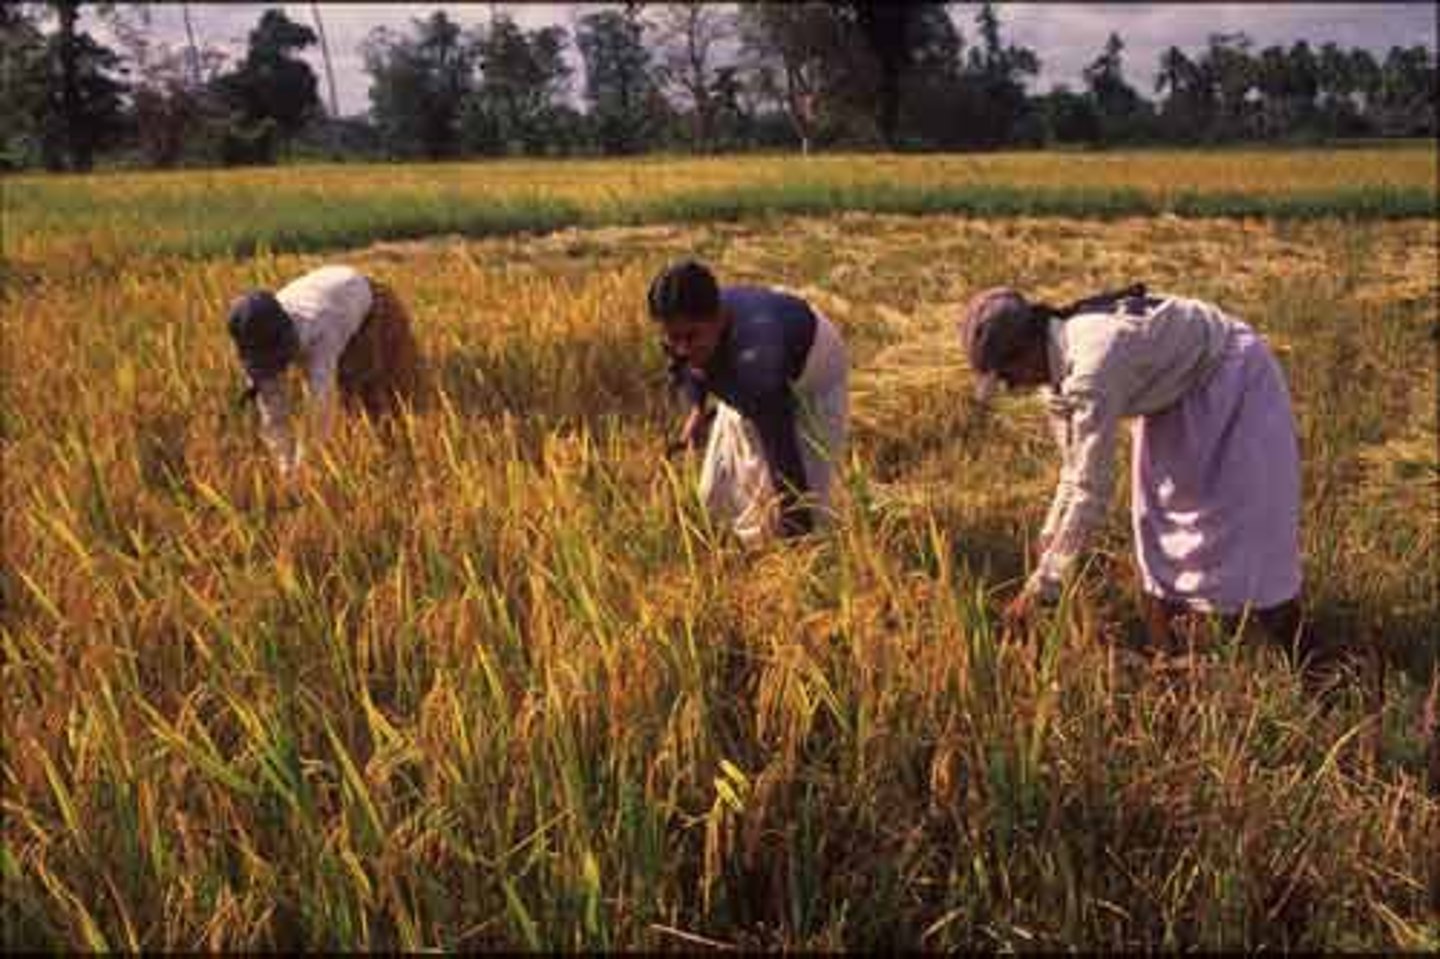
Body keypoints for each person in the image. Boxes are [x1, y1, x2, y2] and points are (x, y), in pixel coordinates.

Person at [957, 283, 1314, 666]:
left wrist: (1045, 585)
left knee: (1248, 528)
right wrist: (1050, 542)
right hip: (1171, 390)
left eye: (1008, 376)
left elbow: (1092, 489)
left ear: (1026, 349)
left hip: (1231, 375)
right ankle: (1166, 662)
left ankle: (1304, 660)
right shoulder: (1056, 374)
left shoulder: (1093, 366)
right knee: (1156, 526)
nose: (1012, 388)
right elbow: (1073, 471)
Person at [648, 259, 848, 545]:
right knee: (716, 496)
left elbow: (785, 462)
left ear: (717, 318)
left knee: (790, 513)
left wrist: (798, 541)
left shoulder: (757, 365)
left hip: (816, 370)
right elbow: (688, 366)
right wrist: (696, 410)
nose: (681, 348)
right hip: (762, 338)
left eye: (690, 337)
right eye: (672, 338)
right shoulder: (698, 327)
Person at [226, 263, 421, 479]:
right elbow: (273, 411)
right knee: (350, 400)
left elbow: (321, 405)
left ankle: (402, 462)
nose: (272, 367)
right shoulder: (254, 334)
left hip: (369, 308)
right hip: (330, 291)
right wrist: (285, 465)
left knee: (381, 396)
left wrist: (304, 468)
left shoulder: (322, 329)